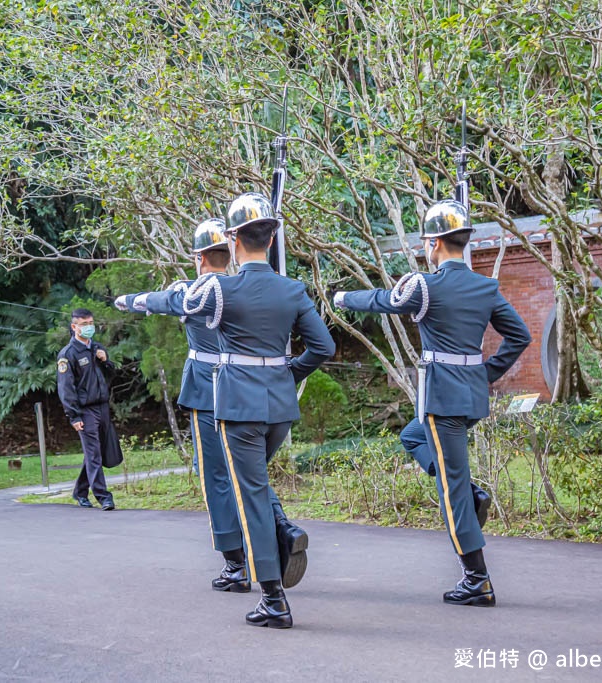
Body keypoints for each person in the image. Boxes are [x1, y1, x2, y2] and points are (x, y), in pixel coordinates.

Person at [131, 192, 335, 629]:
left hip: (239, 407)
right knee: (254, 485)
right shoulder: (292, 289)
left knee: (249, 495)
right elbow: (324, 347)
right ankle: (277, 542)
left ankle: (273, 597)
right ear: (270, 238)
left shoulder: (221, 288)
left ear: (234, 239)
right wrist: (287, 375)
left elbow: (180, 304)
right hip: (280, 408)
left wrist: (138, 300)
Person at [333, 199, 531, 607]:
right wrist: (485, 373)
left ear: (436, 243)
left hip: (442, 398)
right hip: (470, 397)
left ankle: (477, 578)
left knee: (453, 487)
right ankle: (464, 491)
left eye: (427, 241)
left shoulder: (426, 285)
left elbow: (384, 301)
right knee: (413, 438)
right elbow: (520, 336)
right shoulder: (484, 286)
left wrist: (343, 298)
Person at [114, 218, 250, 593]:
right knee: (247, 473)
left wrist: (128, 300)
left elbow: (164, 301)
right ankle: (277, 533)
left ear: (200, 257)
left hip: (208, 389)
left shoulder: (195, 290)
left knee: (214, 476)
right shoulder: (243, 288)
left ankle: (235, 561)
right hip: (244, 389)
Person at [56, 308, 124, 511]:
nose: (88, 327)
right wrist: (73, 416)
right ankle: (104, 497)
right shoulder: (67, 355)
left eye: (91, 323)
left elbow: (109, 377)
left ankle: (80, 492)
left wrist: (106, 361)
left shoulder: (96, 348)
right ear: (74, 327)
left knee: (97, 453)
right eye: (84, 324)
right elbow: (66, 389)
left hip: (102, 406)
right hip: (84, 410)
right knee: (93, 454)